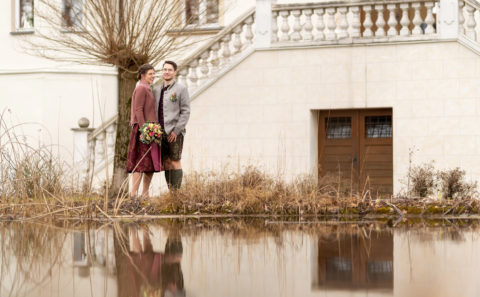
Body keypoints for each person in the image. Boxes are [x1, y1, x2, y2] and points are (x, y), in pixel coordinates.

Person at [126, 63, 163, 199]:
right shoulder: (141, 88)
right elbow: (138, 110)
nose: (153, 76)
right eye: (150, 74)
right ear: (143, 75)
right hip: (144, 129)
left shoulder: (148, 88)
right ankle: (133, 193)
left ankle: (145, 193)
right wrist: (144, 129)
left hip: (151, 128)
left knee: (150, 163)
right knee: (141, 162)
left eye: (154, 74)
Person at [153, 61, 190, 190]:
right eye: (164, 69)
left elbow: (185, 111)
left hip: (174, 132)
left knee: (175, 161)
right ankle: (171, 192)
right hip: (160, 133)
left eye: (169, 70)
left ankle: (177, 194)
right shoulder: (156, 90)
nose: (166, 72)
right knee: (166, 163)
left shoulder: (181, 89)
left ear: (175, 72)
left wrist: (176, 130)